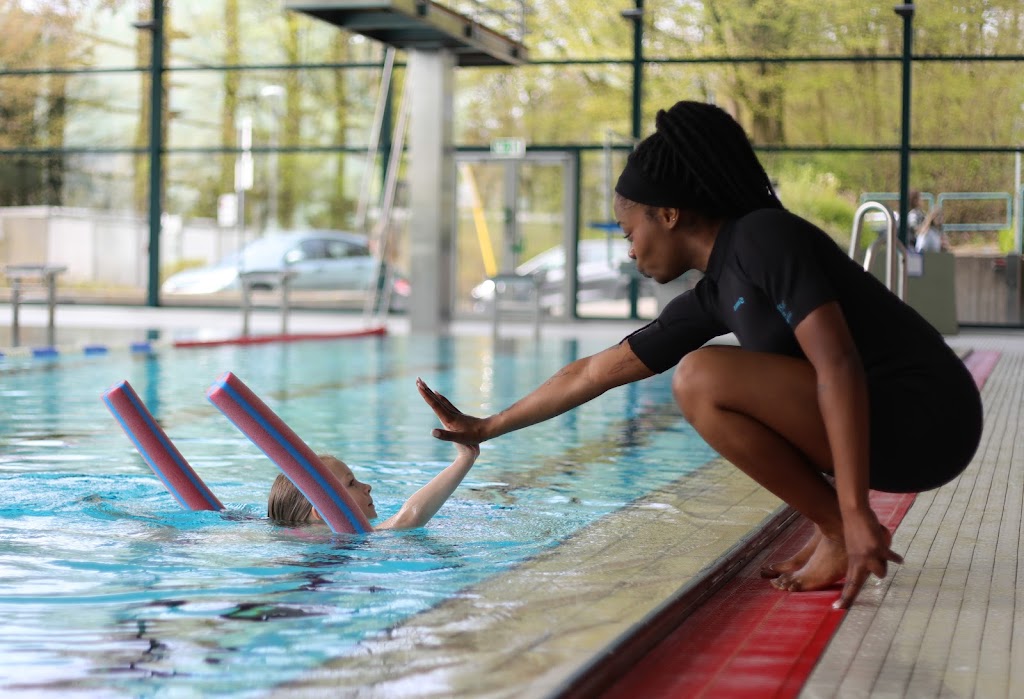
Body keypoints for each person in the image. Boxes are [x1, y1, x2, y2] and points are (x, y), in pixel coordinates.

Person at [416, 100, 983, 609]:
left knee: (701, 377)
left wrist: (859, 512)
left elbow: (837, 364)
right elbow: (592, 370)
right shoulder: (714, 292)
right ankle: (833, 528)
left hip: (929, 417)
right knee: (702, 380)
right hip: (892, 427)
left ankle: (839, 527)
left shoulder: (764, 237)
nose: (630, 250)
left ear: (668, 214)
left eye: (627, 231)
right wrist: (488, 426)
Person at [267, 443, 480, 530]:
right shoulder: (352, 539)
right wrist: (465, 458)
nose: (367, 487)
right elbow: (410, 517)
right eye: (351, 483)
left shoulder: (289, 541)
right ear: (324, 510)